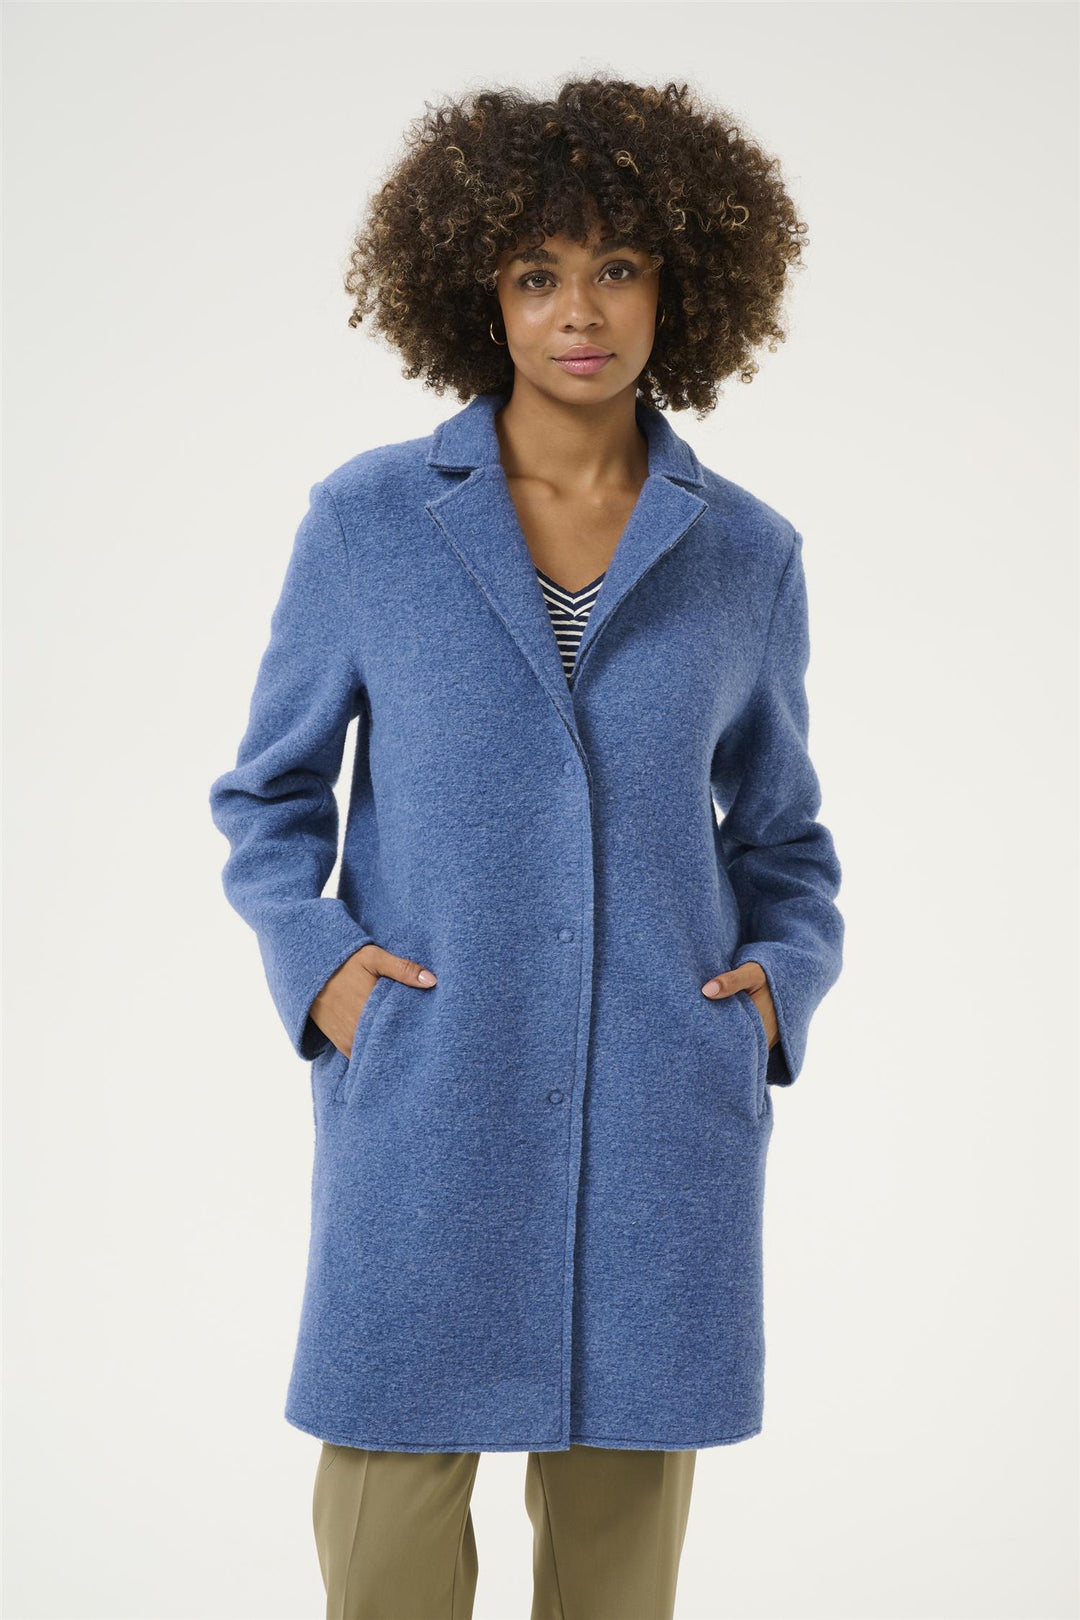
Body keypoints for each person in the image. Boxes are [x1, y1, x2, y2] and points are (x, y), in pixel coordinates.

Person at [209, 75, 844, 1620]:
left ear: (679, 287)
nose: (581, 311)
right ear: (477, 294)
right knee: (387, 1527)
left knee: (620, 1556)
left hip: (658, 1105)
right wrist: (326, 972)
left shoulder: (747, 556)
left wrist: (774, 991)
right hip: (431, 1076)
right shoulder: (370, 521)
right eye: (538, 272)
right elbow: (268, 799)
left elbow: (785, 838)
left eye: (618, 267)